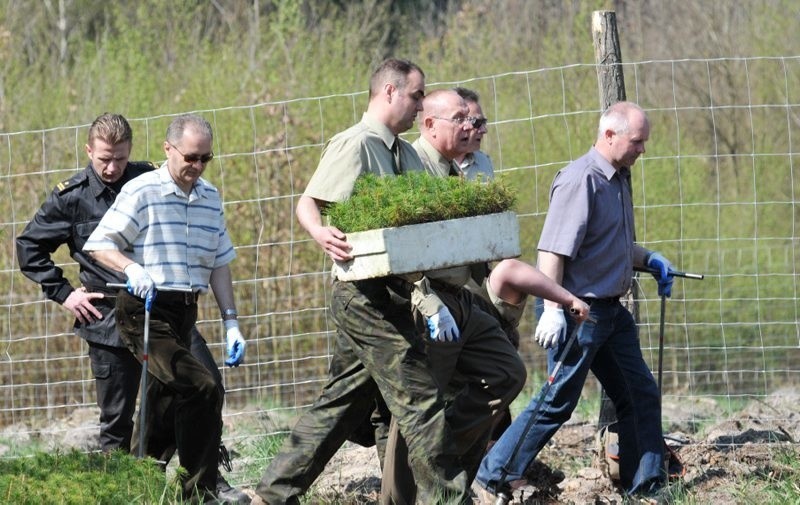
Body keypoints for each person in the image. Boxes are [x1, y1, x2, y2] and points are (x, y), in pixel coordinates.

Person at [254, 57, 504, 505]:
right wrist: (319, 232)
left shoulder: (404, 152)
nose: (420, 104)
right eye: (415, 95)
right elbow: (308, 203)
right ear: (389, 92)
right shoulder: (356, 144)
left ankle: (271, 495)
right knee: (420, 398)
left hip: (396, 292)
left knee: (341, 405)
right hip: (362, 295)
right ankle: (448, 499)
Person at [15, 112, 247, 504]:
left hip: (166, 309)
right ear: (89, 150)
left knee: (194, 387)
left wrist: (230, 320)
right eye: (104, 158)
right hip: (107, 314)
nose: (111, 167)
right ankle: (120, 492)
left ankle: (197, 480)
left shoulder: (149, 180)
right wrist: (66, 294)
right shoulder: (71, 197)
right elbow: (29, 248)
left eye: (120, 158)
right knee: (119, 418)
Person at [474, 101, 675, 501]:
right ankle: (492, 475)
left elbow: (612, 245)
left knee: (640, 394)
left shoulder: (617, 179)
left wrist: (649, 259)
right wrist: (552, 309)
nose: (643, 149)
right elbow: (553, 252)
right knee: (557, 401)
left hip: (611, 313)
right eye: (637, 141)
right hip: (577, 311)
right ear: (610, 135)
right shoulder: (580, 180)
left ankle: (647, 487)